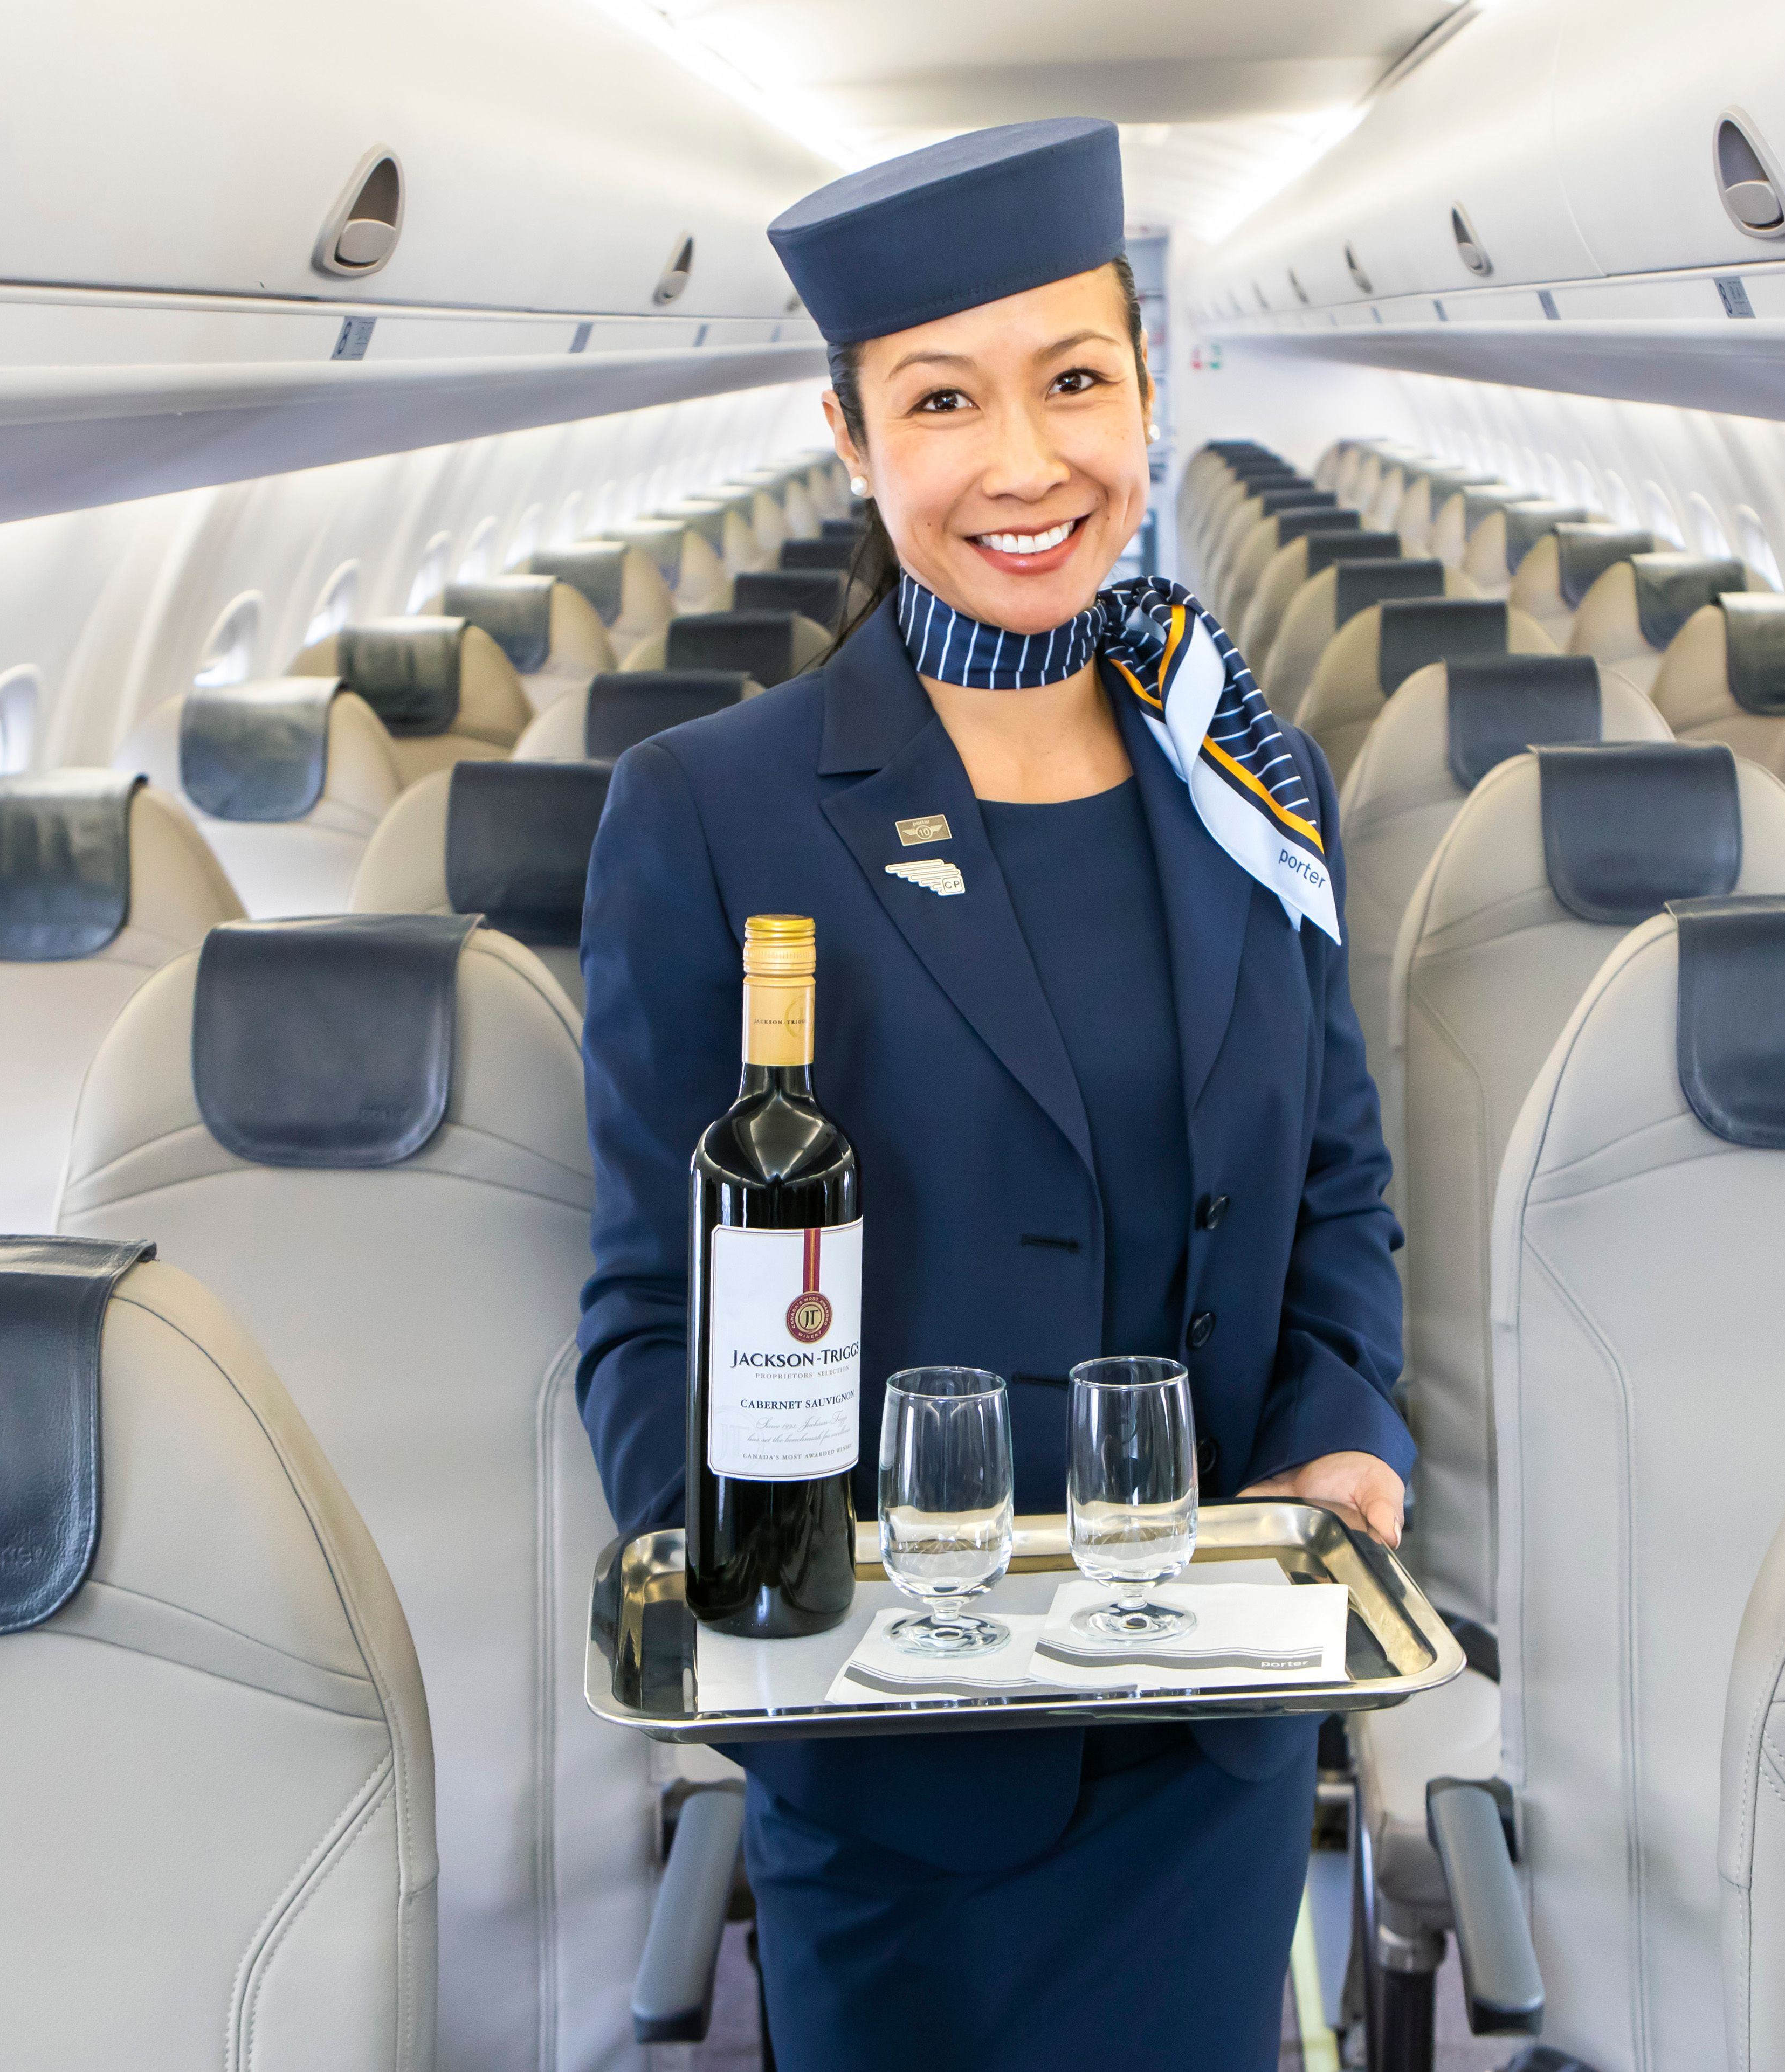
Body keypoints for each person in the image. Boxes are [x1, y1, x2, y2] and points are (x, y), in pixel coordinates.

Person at [576, 117, 1410, 2072]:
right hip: (896, 1761)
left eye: (1077, 381)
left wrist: (1343, 1432)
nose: (1029, 463)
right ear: (855, 440)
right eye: (946, 399)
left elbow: (1341, 1188)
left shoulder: (1247, 776)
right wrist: (769, 1627)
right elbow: (642, 1306)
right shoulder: (714, 810)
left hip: (1208, 1733)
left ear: (1149, 387)